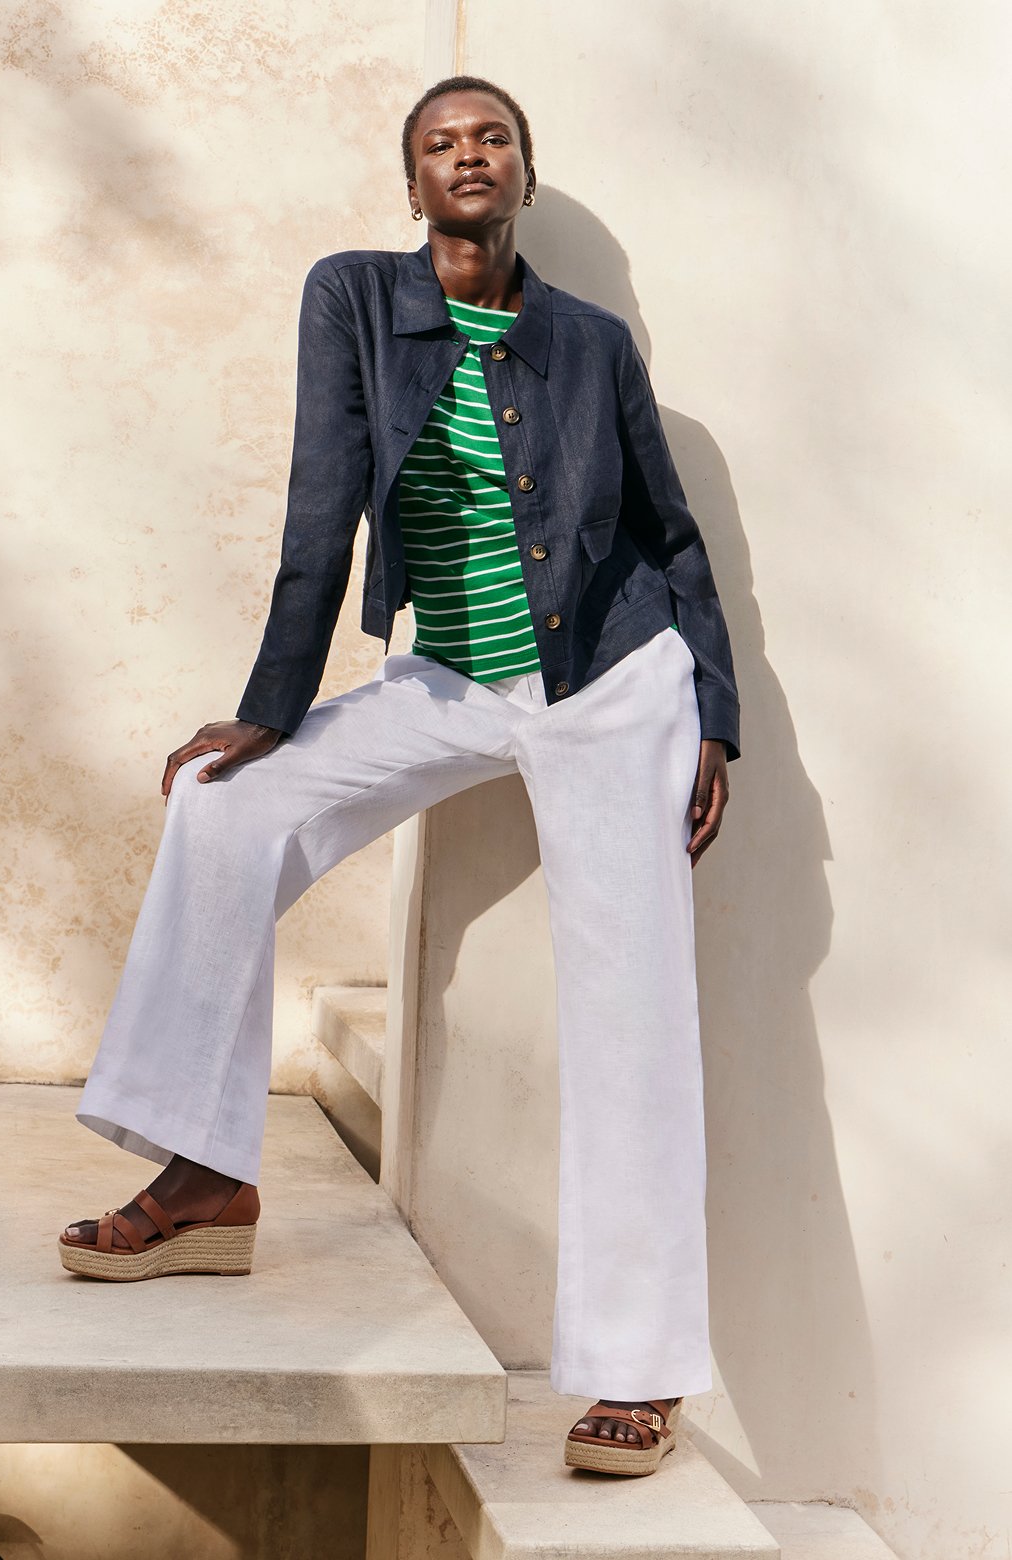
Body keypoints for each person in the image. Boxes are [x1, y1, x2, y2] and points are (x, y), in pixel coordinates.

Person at [58, 74, 740, 1477]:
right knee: (227, 810)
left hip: (611, 689)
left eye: (493, 138)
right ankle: (207, 1173)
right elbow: (321, 506)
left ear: (525, 173)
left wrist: (714, 718)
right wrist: (268, 711)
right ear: (412, 182)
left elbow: (672, 536)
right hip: (450, 679)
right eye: (441, 142)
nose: (468, 155)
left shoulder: (590, 342)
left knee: (632, 1012)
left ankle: (638, 1370)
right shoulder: (355, 300)